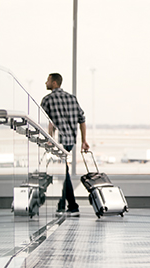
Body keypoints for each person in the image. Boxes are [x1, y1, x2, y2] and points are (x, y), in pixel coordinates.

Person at [41, 73, 90, 217]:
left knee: (65, 173)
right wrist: (84, 141)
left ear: (55, 83)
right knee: (64, 171)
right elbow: (82, 119)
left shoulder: (47, 100)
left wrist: (49, 138)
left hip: (59, 142)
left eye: (48, 80)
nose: (46, 83)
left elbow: (47, 121)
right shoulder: (72, 98)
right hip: (70, 141)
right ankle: (61, 205)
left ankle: (73, 206)